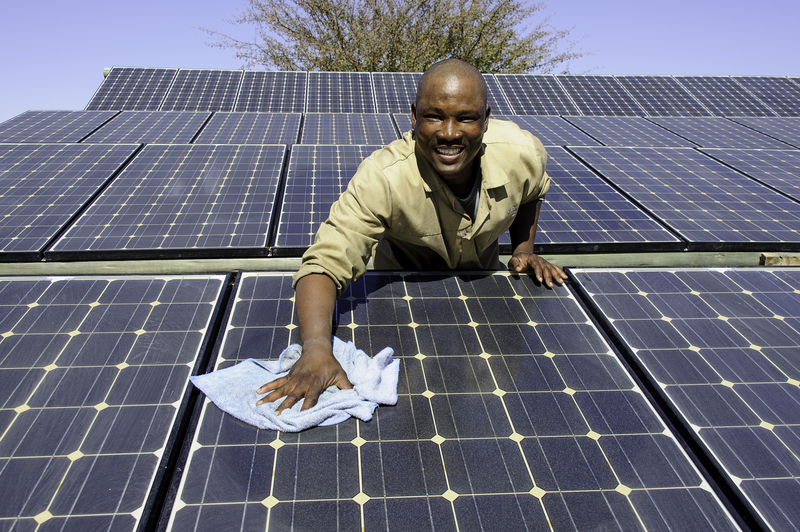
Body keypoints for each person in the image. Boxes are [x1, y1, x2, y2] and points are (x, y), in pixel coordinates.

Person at [257, 59, 567, 413]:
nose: (449, 133)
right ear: (414, 115)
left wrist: (523, 249)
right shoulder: (384, 177)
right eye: (434, 116)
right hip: (406, 298)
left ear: (485, 118)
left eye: (466, 117)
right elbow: (325, 263)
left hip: (482, 286)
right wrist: (315, 348)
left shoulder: (522, 153)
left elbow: (532, 191)